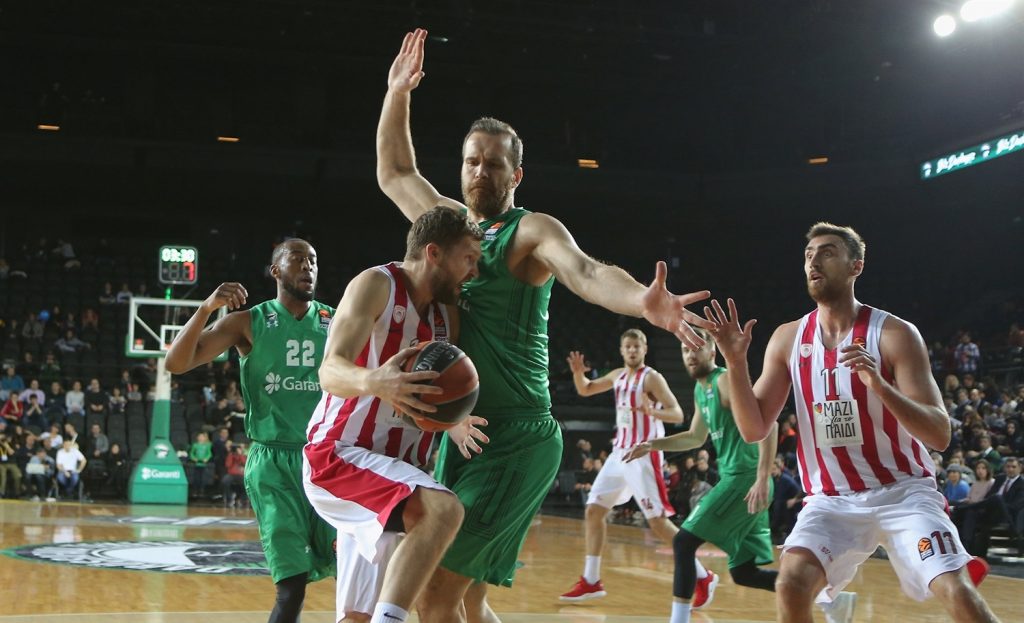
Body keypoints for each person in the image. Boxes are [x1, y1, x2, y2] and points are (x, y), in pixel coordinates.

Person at [375, 28, 712, 621]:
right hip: (463, 431)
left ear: (516, 176)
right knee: (465, 599)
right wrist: (397, 93)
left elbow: (586, 271)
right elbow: (396, 172)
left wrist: (642, 301)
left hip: (517, 437)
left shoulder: (530, 232)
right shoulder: (447, 227)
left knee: (433, 594)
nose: (480, 172)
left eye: (494, 164)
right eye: (472, 162)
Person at [702, 222, 998, 623]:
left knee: (957, 592)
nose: (813, 262)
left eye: (827, 252)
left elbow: (940, 433)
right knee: (790, 584)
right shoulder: (788, 338)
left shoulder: (894, 333)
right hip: (831, 500)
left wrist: (880, 385)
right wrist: (736, 363)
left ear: (856, 266)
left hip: (903, 492)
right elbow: (754, 429)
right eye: (808, 255)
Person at [304, 207, 488, 623]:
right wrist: (375, 381)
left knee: (357, 616)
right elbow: (329, 371)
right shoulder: (376, 285)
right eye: (469, 259)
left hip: (396, 476)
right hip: (340, 457)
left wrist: (453, 421)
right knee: (443, 511)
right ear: (434, 253)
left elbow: (437, 397)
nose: (474, 272)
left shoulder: (446, 316)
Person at [165, 238, 336, 623]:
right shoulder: (247, 322)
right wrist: (206, 308)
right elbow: (176, 363)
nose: (308, 267)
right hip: (273, 463)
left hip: (326, 460)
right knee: (291, 586)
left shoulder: (337, 320)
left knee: (358, 573)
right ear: (276, 271)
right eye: (297, 259)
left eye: (313, 260)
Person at [625, 328, 811, 623]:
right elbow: (695, 437)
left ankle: (678, 619)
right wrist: (652, 444)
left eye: (696, 348)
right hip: (740, 481)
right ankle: (828, 597)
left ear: (712, 352)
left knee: (683, 542)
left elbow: (769, 425)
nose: (690, 355)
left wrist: (762, 478)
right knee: (744, 573)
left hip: (745, 479)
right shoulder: (702, 389)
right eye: (685, 350)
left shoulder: (723, 380)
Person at [559, 329, 683, 602]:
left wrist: (653, 411)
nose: (632, 350)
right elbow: (585, 389)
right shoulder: (618, 375)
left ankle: (701, 575)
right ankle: (591, 580)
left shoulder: (652, 378)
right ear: (621, 350)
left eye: (637, 346)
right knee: (594, 509)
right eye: (628, 346)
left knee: (658, 523)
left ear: (645, 349)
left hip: (643, 453)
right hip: (619, 453)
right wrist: (578, 373)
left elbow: (677, 413)